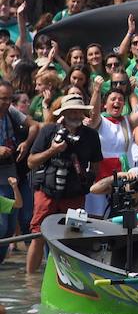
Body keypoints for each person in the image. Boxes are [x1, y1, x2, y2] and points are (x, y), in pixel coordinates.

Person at [26, 94, 102, 274]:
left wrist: (86, 184)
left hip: (74, 196)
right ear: (64, 113)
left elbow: (96, 165)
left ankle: (69, 277)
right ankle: (30, 281)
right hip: (47, 193)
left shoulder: (91, 135)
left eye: (78, 112)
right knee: (38, 236)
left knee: (73, 237)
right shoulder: (48, 131)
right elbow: (31, 162)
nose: (75, 115)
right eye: (71, 111)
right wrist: (52, 150)